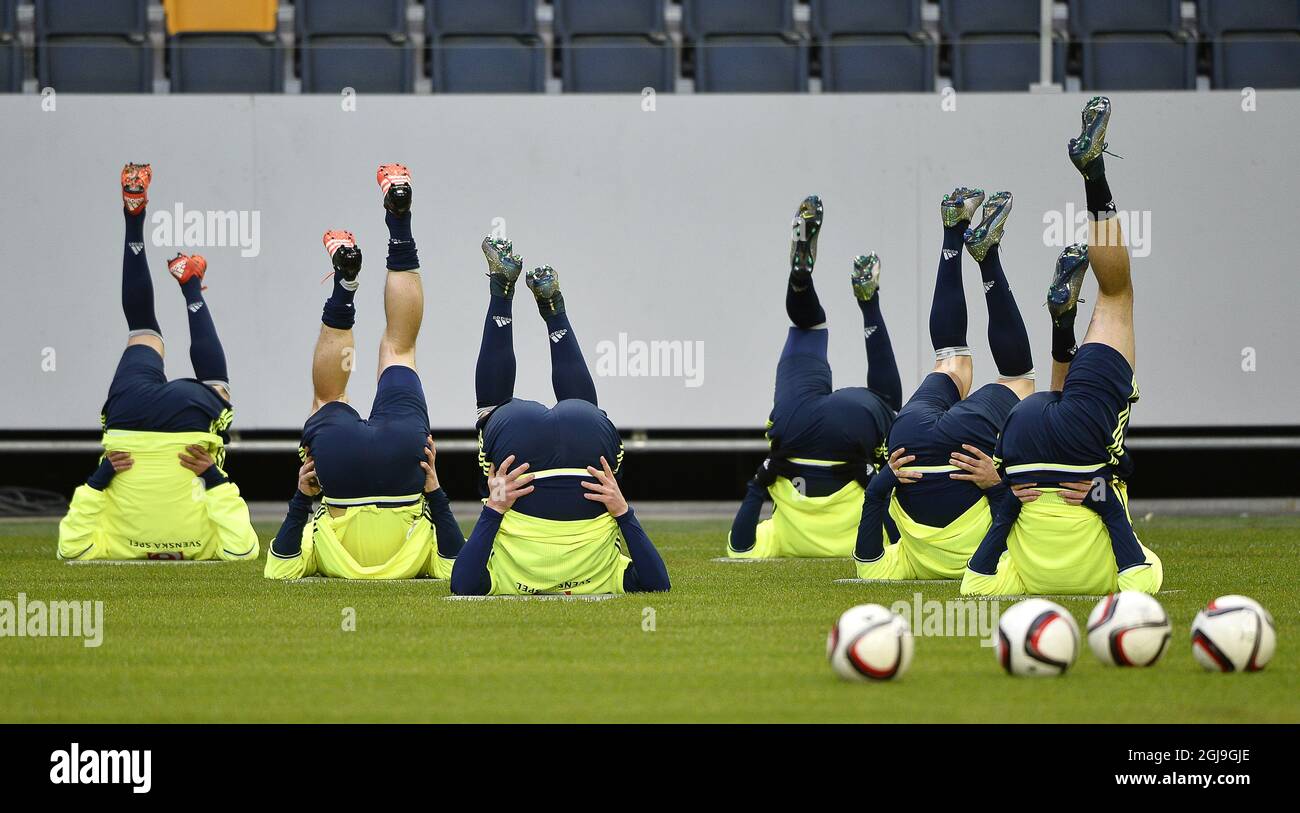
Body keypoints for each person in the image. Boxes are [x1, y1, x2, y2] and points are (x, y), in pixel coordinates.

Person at [961, 97, 1162, 596]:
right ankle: (1060, 323)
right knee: (1047, 394)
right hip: (1023, 444)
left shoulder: (1112, 584)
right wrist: (1006, 498)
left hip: (1079, 459)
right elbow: (974, 582)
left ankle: (1093, 171)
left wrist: (1102, 497)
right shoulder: (1019, 584)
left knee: (1115, 298)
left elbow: (1139, 575)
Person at [265, 165, 464, 580]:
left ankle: (397, 223)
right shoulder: (332, 560)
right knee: (331, 398)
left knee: (399, 349)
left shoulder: (412, 563)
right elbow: (279, 570)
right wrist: (302, 496)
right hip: (343, 464)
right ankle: (346, 283)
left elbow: (455, 561)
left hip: (402, 457)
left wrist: (435, 489)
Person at [58, 164, 258, 562]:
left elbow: (244, 551)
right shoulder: (113, 549)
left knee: (217, 385)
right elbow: (71, 549)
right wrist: (101, 478)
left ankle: (191, 286)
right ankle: (134, 220)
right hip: (128, 424)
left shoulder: (205, 550)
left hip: (187, 422)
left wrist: (212, 476)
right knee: (143, 330)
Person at [448, 238, 670, 595]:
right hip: (519, 448)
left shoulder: (606, 581)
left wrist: (622, 509)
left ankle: (553, 312)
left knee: (582, 412)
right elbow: (463, 586)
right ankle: (507, 293)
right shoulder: (505, 582)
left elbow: (658, 585)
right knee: (493, 412)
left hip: (581, 446)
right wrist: (494, 507)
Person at [854, 187, 1035, 580]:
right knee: (951, 361)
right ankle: (954, 231)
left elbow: (1009, 517)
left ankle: (988, 259)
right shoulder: (903, 569)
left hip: (965, 451)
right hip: (908, 442)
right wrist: (886, 473)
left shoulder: (987, 572)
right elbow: (870, 515)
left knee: (1018, 382)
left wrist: (996, 484)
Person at [727, 196, 902, 558]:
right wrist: (762, 477)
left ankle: (868, 304)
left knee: (887, 401)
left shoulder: (855, 544)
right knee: (807, 326)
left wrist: (873, 478)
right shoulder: (779, 538)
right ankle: (801, 280)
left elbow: (895, 537)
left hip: (848, 438)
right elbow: (739, 547)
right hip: (795, 431)